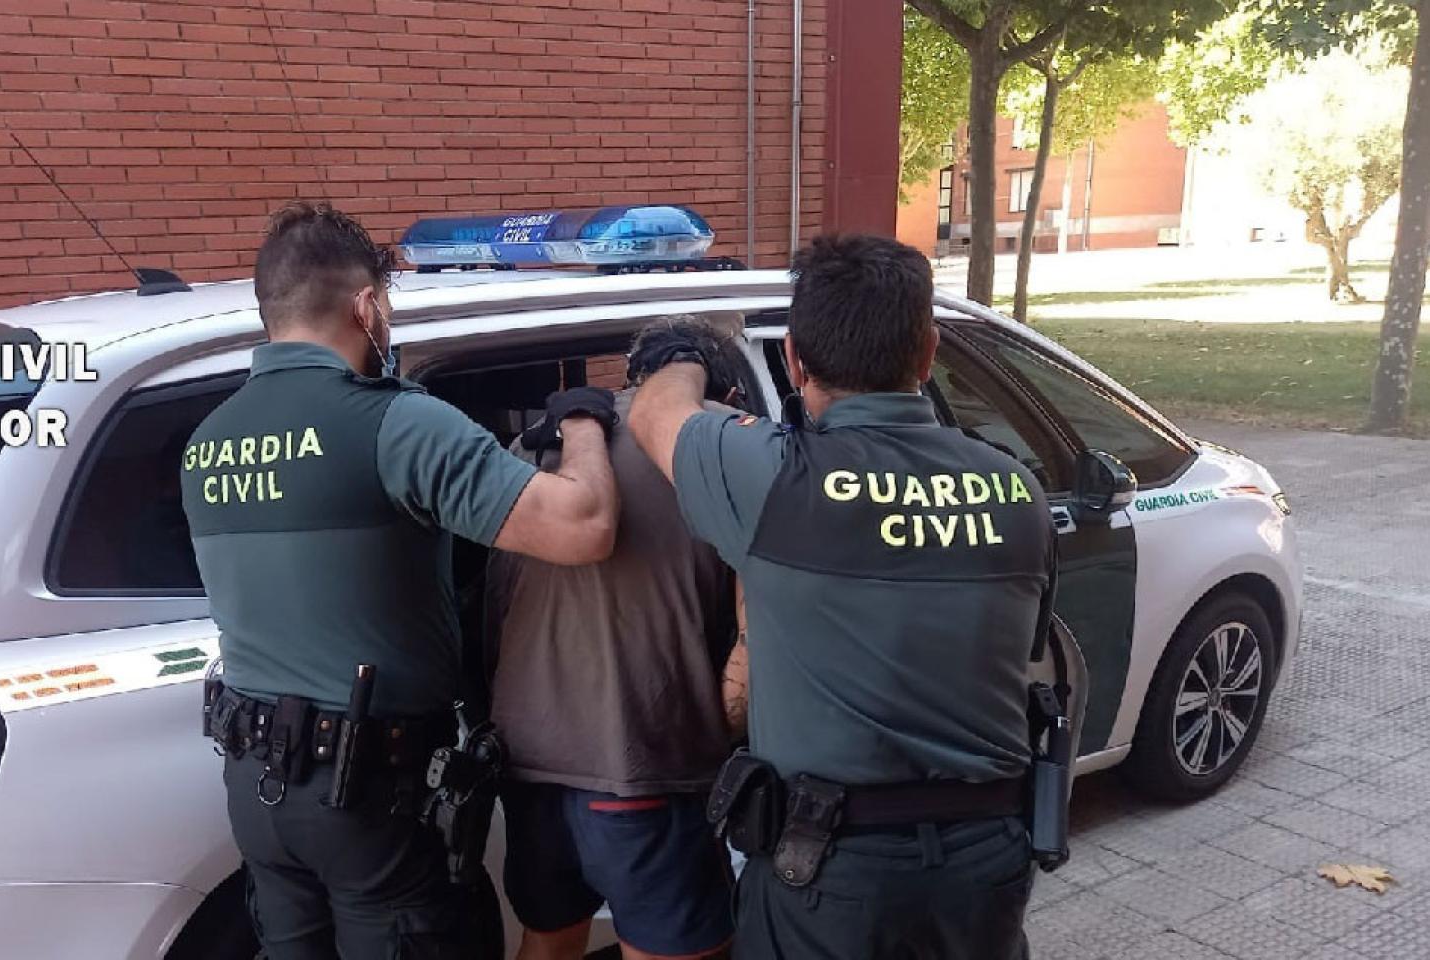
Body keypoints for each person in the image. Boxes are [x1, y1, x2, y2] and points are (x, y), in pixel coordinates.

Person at [180, 201, 620, 960]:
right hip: (369, 795)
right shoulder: (397, 424)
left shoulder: (206, 441)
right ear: (367, 306)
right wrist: (584, 421)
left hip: (257, 789)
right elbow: (582, 527)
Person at [628, 234, 1057, 960]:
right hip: (986, 865)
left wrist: (686, 350)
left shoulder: (774, 479)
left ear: (794, 360)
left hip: (831, 874)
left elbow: (653, 414)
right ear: (928, 353)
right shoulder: (1018, 489)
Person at [487, 318, 751, 960]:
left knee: (548, 941)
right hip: (640, 762)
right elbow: (761, 636)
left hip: (530, 763)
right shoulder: (725, 446)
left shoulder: (538, 442)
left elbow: (492, 610)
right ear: (724, 390)